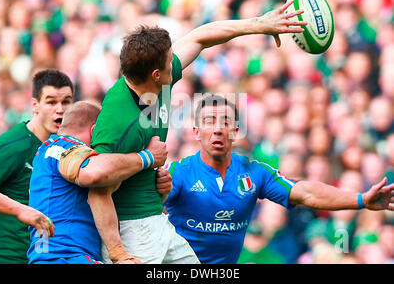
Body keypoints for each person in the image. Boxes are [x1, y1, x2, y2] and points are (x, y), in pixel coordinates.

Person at [88, 0, 308, 264]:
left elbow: (200, 37)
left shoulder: (155, 83)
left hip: (157, 221)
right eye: (171, 60)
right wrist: (117, 252)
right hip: (131, 233)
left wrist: (259, 24)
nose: (176, 61)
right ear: (156, 74)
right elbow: (96, 184)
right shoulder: (119, 120)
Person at [162, 94, 394, 264]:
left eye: (225, 122)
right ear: (195, 132)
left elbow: (306, 192)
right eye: (209, 121)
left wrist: (362, 200)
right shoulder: (178, 173)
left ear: (235, 131)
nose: (218, 129)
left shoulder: (254, 173)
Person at [27, 101, 169, 264]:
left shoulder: (49, 153)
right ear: (96, 131)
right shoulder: (61, 146)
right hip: (63, 257)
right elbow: (95, 173)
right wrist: (148, 157)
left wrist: (161, 190)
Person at [0, 69, 73, 264]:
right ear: (35, 105)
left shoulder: (70, 145)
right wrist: (21, 210)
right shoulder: (14, 146)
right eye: (51, 102)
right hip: (7, 258)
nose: (60, 109)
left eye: (67, 102)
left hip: (48, 257)